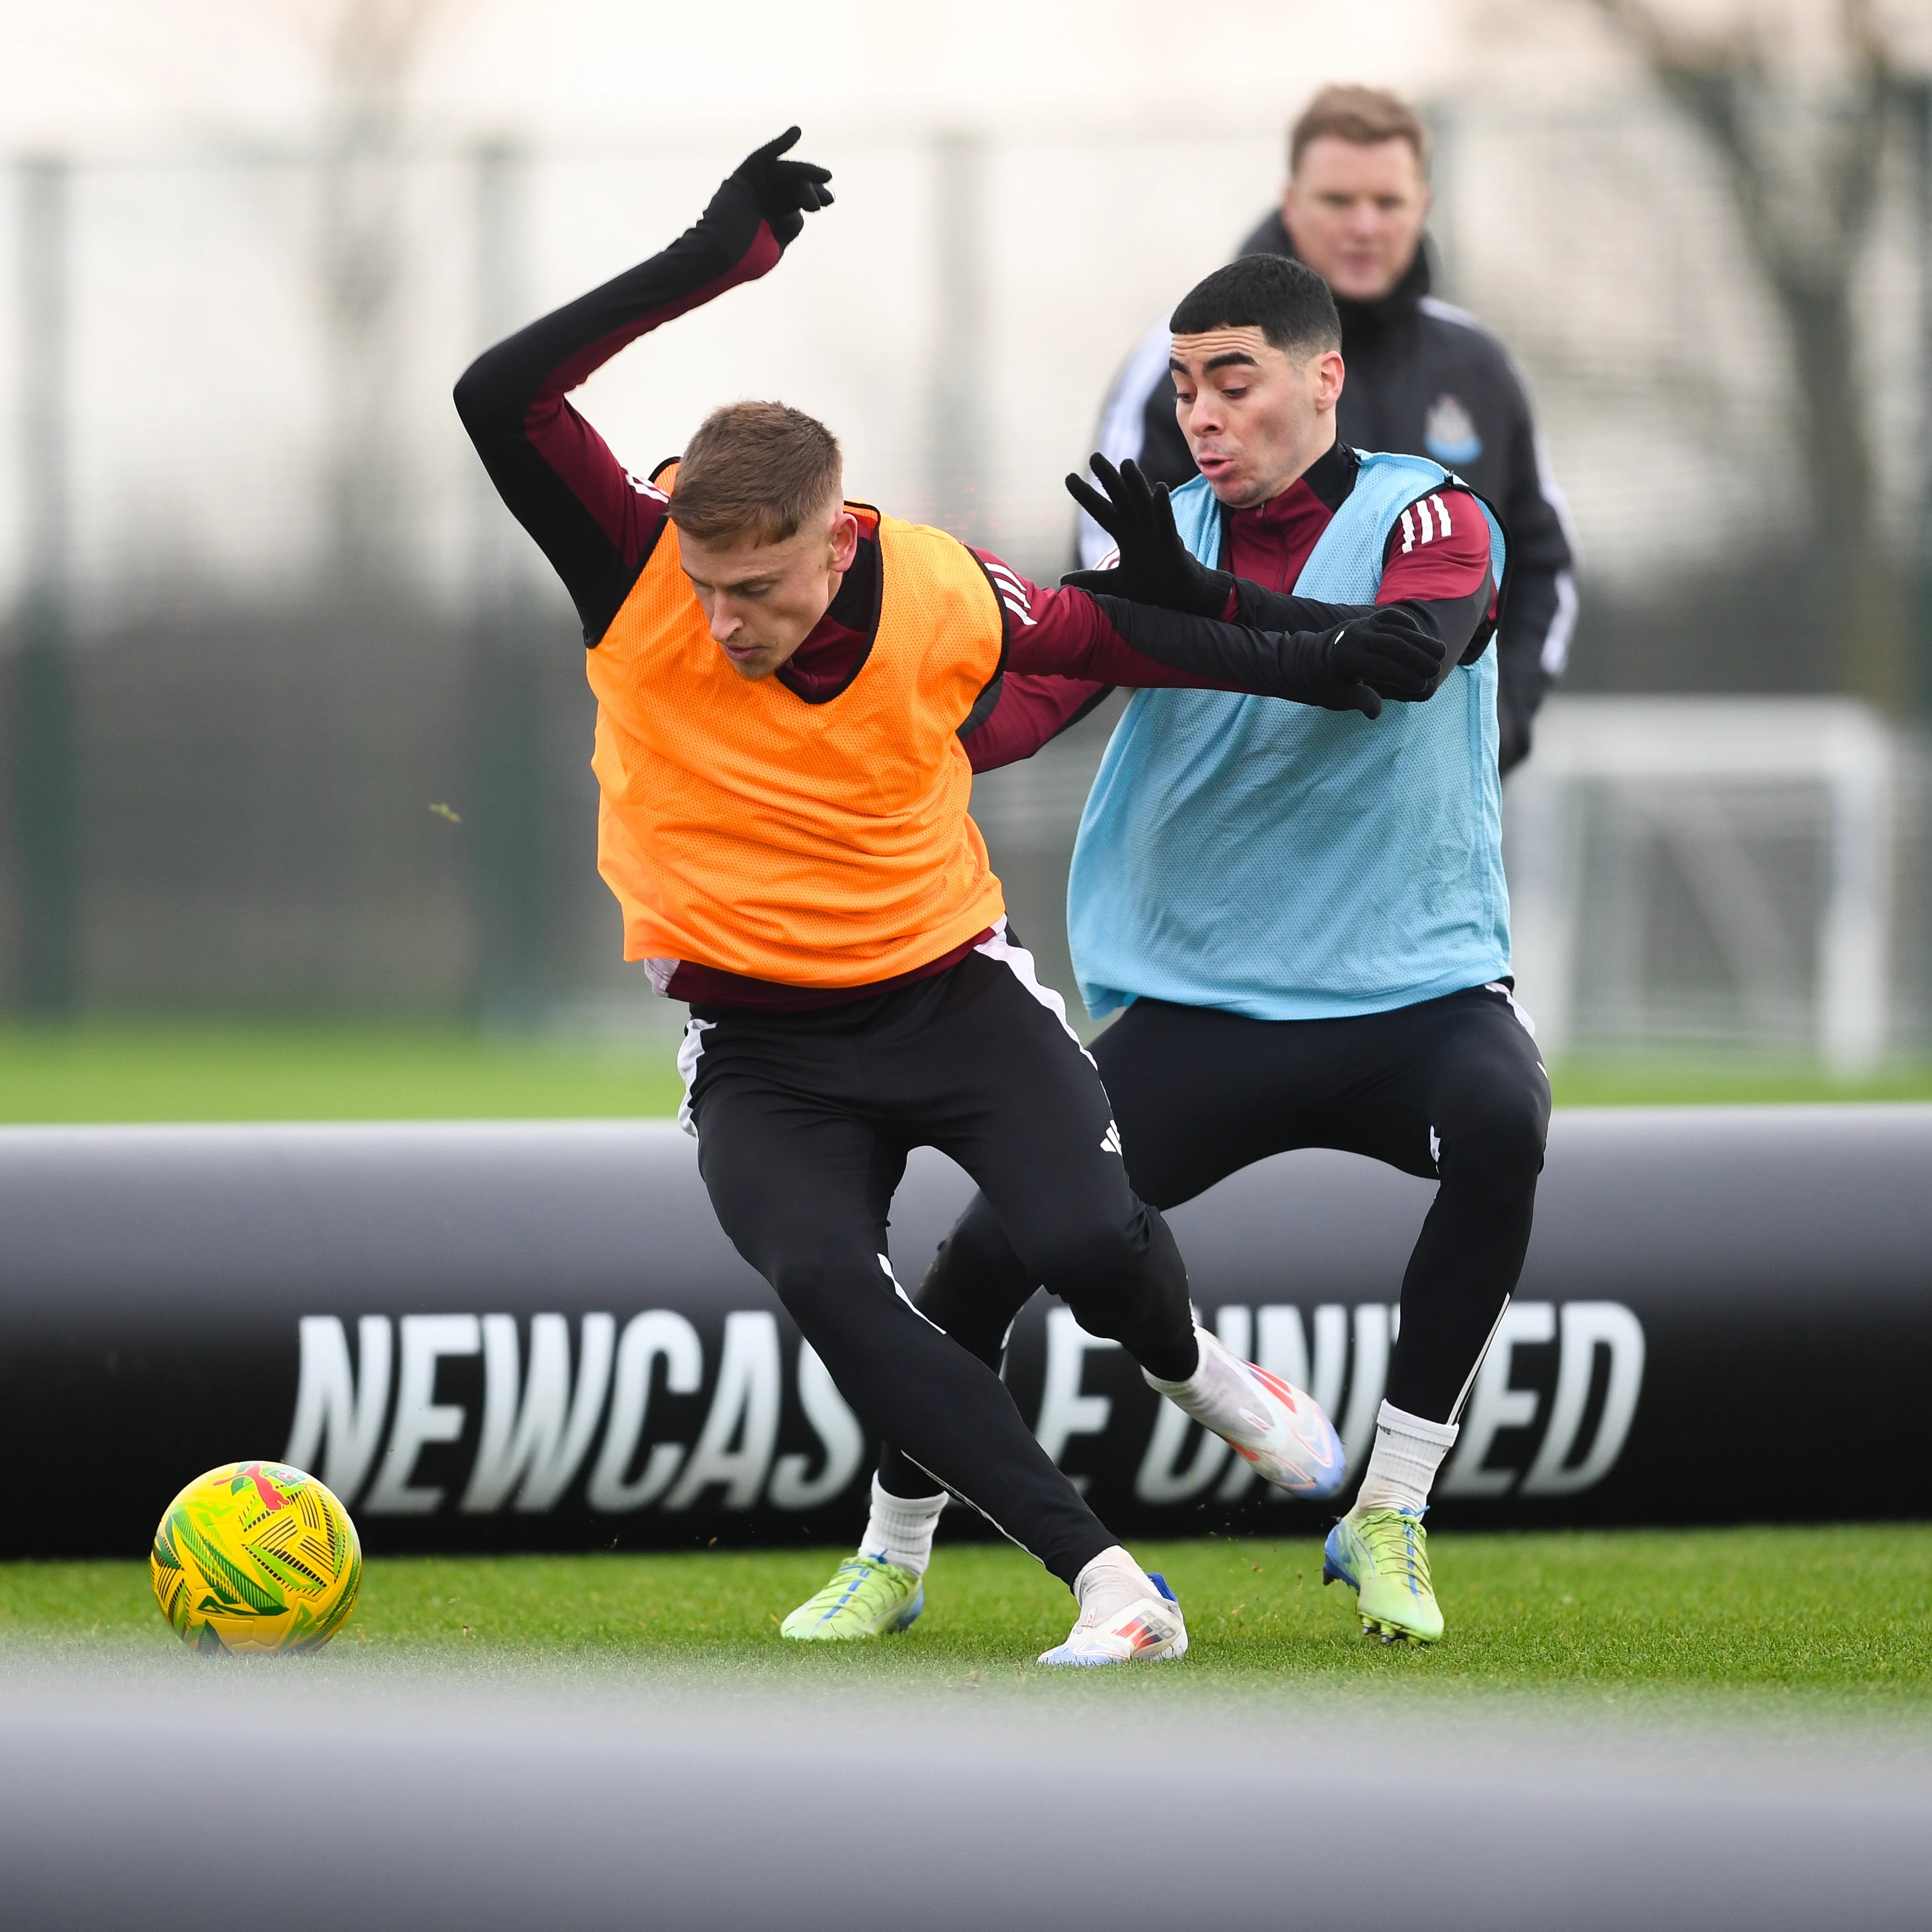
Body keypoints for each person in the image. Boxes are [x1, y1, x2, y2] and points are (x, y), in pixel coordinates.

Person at [454, 132, 1450, 1664]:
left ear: (836, 537)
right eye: (710, 589)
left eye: (764, 588)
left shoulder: (934, 586)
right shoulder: (633, 568)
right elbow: (496, 397)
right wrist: (711, 263)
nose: (729, 623)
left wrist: (1321, 649)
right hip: (762, 1051)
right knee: (840, 1295)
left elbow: (1115, 637)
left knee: (1093, 1248)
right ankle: (1112, 1585)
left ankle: (1205, 1378)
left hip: (950, 994)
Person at [841, 249, 1547, 1649]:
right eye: (1181, 388)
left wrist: (1197, 604)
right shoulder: (1146, 536)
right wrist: (862, 731)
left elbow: (1405, 657)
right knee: (984, 1257)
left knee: (1501, 1118)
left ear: (1320, 378)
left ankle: (1387, 1506)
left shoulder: (1433, 516)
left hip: (1410, 984)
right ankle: (891, 1551)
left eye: (1233, 379)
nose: (1201, 413)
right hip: (1198, 999)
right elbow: (1020, 707)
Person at [1080, 83, 1575, 773]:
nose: (1364, 226)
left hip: (1424, 803)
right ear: (1290, 206)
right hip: (1231, 797)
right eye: (1338, 201)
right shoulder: (1180, 355)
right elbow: (1118, 572)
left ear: (1422, 208)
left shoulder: (1479, 366)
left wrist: (1498, 729)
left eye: (1388, 202)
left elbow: (1542, 565)